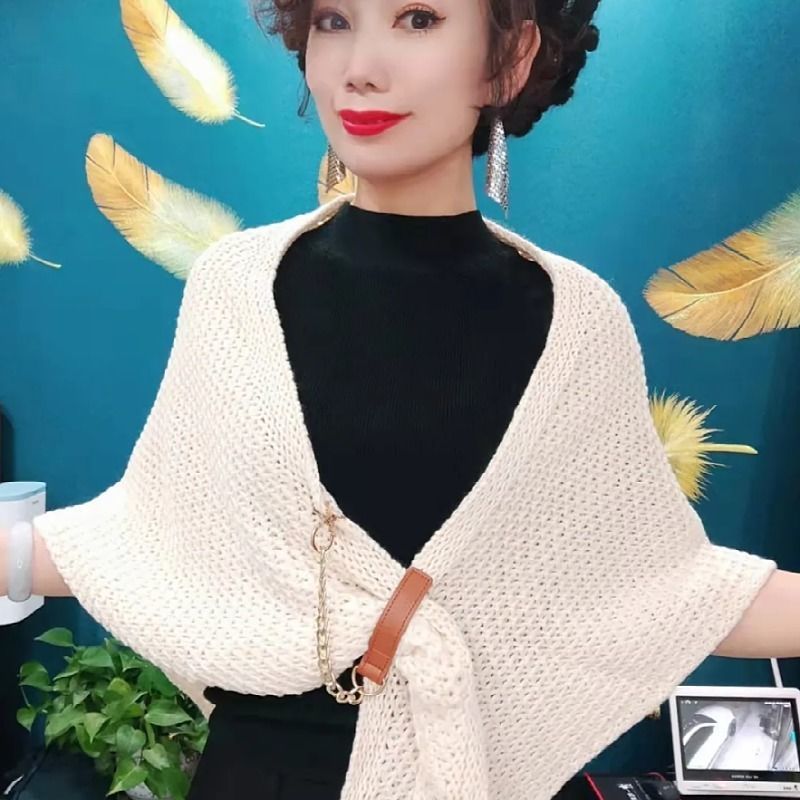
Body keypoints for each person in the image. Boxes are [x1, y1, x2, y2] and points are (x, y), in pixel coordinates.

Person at [3, 1, 800, 799]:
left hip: (475, 771)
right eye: (333, 20)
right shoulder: (234, 288)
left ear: (509, 58)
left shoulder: (577, 324)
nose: (360, 67)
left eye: (417, 18)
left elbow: (658, 592)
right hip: (260, 775)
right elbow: (150, 539)